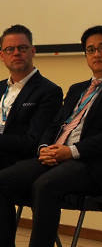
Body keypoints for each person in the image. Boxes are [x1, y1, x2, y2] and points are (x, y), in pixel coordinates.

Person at [0, 25, 102, 247]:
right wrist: (45, 146)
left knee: (44, 185)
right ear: (86, 56)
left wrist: (72, 151)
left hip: (91, 166)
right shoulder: (77, 89)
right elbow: (55, 124)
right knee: (2, 180)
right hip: (58, 157)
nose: (97, 54)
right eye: (91, 50)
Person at [0, 26, 62, 170]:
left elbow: (32, 142)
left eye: (22, 48)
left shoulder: (49, 91)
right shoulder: (1, 87)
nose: (16, 53)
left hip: (17, 162)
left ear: (33, 51)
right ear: (2, 55)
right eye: (10, 49)